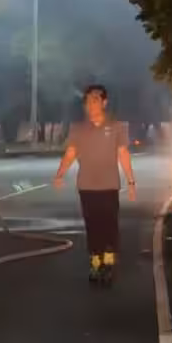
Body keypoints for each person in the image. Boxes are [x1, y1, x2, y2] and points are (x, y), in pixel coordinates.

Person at [53, 84, 136, 284]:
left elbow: (123, 154)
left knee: (109, 227)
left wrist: (131, 182)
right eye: (88, 101)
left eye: (95, 100)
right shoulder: (78, 129)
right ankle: (95, 264)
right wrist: (60, 174)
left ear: (104, 102)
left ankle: (109, 264)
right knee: (92, 227)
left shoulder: (116, 127)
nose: (91, 105)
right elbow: (71, 153)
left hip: (109, 186)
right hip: (87, 187)